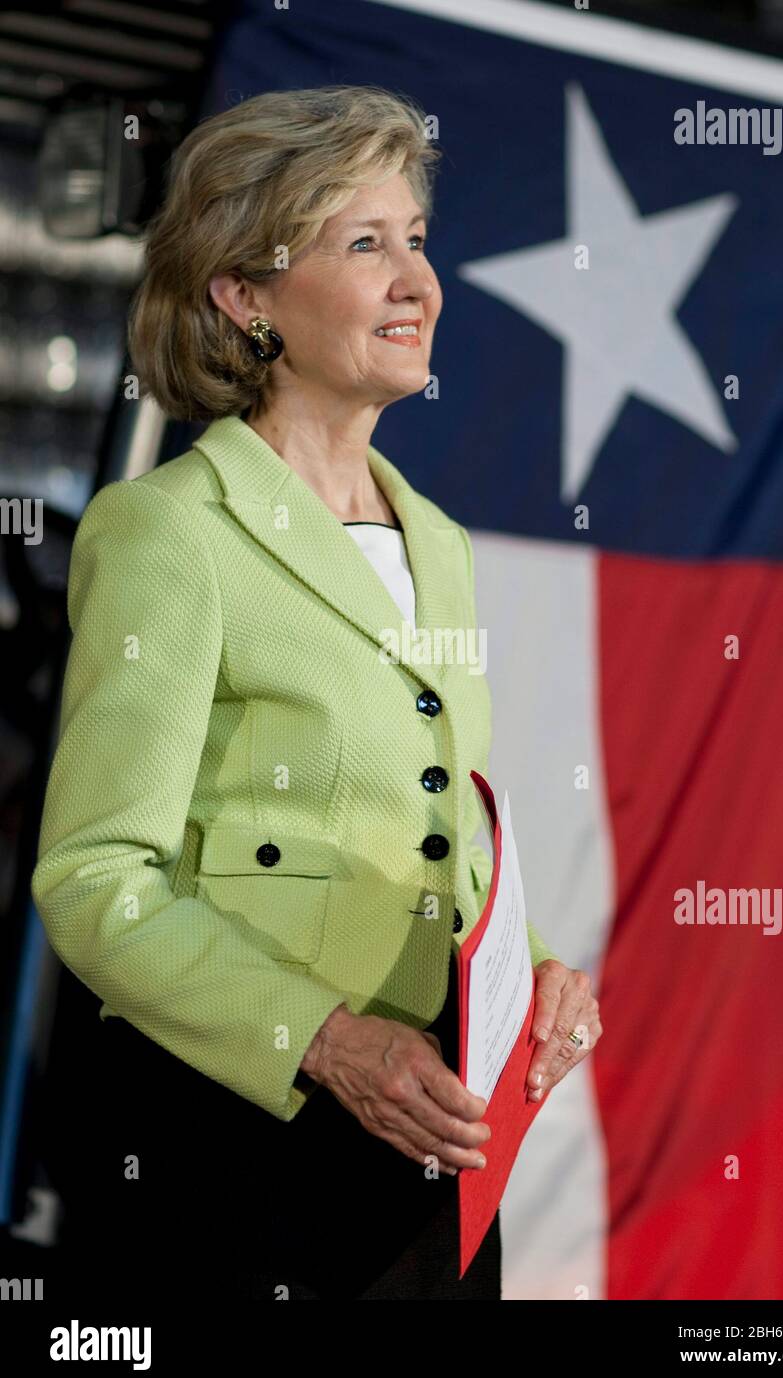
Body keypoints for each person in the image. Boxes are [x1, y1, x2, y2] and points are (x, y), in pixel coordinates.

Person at [31, 85, 602, 1302]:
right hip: (234, 1157)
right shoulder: (169, 534)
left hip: (432, 1152)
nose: (418, 281)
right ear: (246, 297)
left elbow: (436, 833)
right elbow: (93, 882)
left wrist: (538, 970)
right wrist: (331, 1042)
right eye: (363, 244)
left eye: (416, 240)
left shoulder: (436, 539)